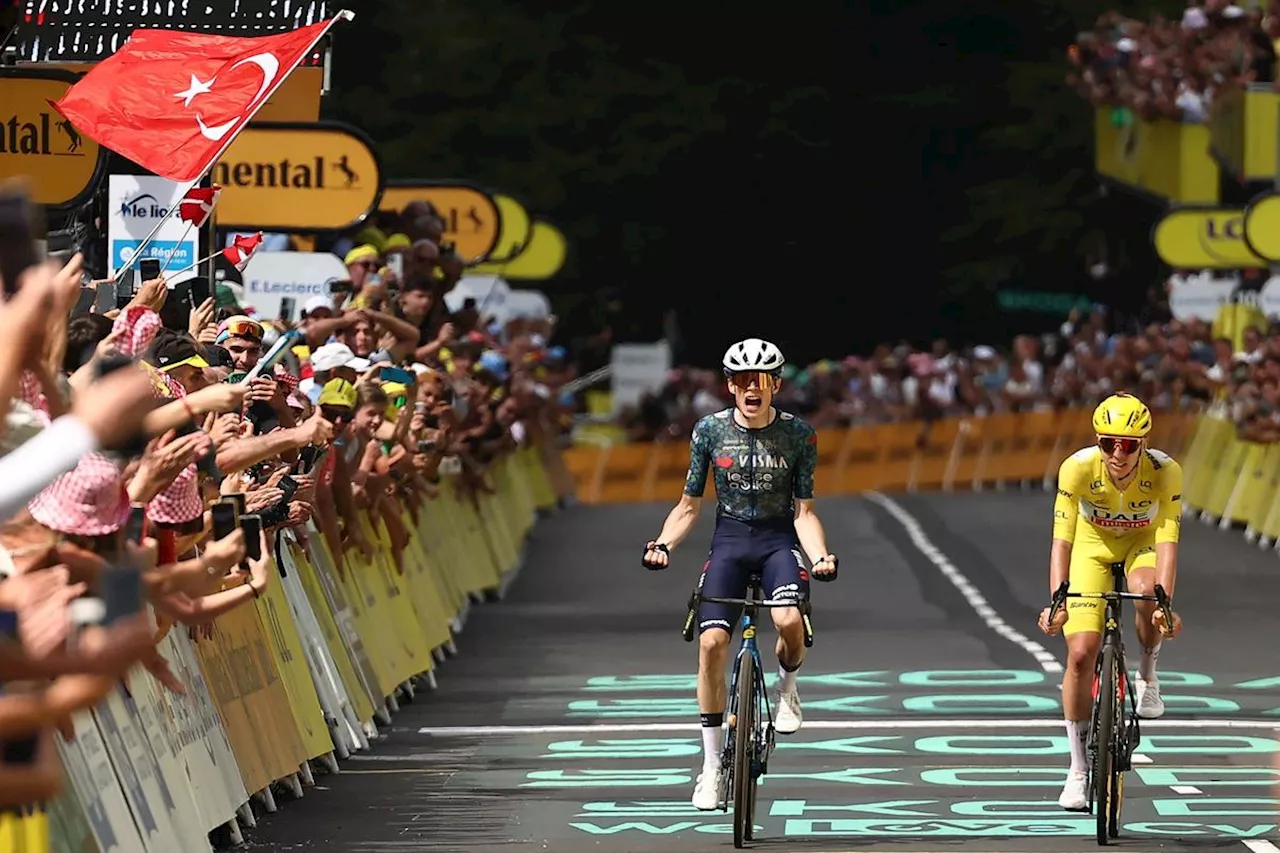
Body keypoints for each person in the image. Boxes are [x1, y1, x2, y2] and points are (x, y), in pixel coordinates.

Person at [641, 338, 838, 811]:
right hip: (729, 539)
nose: (753, 388)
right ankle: (710, 767)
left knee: (790, 620)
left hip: (776, 541)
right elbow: (689, 506)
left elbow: (804, 512)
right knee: (711, 644)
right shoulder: (708, 430)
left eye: (762, 379)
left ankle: (788, 690)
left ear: (775, 384)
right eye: (743, 380)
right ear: (730, 386)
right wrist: (662, 543)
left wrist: (820, 556)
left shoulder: (799, 435)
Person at [1037, 392, 1184, 812]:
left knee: (1144, 592)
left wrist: (1164, 604)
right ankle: (1078, 769)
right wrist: (1057, 600)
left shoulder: (1165, 471)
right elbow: (1061, 541)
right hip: (1091, 546)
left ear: (1144, 443)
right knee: (1080, 654)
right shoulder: (1078, 468)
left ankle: (1149, 676)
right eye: (1108, 443)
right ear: (1097, 441)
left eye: (1129, 444)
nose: (1118, 453)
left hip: (1142, 543)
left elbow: (1169, 542)